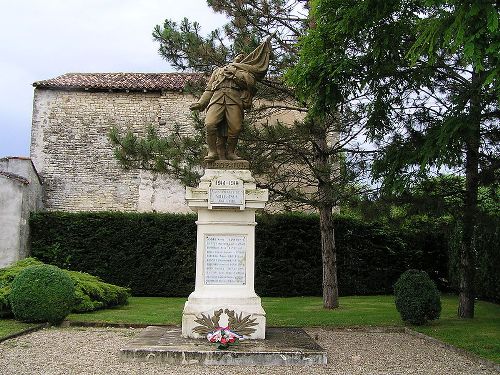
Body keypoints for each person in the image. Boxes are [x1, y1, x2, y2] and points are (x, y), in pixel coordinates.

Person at [190, 37, 272, 162]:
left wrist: (235, 73)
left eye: (241, 57)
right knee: (210, 124)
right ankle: (212, 152)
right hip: (217, 99)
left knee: (235, 128)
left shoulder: (244, 71)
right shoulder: (218, 71)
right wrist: (201, 103)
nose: (239, 57)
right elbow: (209, 89)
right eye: (238, 56)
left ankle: (230, 152)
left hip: (234, 100)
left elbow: (249, 83)